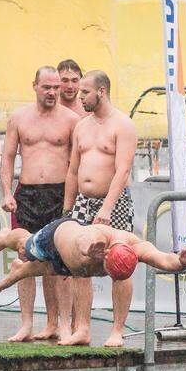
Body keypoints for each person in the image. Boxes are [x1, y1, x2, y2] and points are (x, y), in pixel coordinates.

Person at [0, 66, 80, 343]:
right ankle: (26, 324)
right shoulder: (19, 118)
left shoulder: (71, 120)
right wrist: (7, 193)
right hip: (27, 194)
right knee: (25, 257)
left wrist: (70, 203)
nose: (53, 92)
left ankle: (61, 325)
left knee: (61, 262)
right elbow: (8, 157)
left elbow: (76, 163)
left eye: (57, 87)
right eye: (47, 87)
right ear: (34, 86)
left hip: (58, 195)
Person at [63, 70, 139, 347]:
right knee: (79, 264)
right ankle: (82, 328)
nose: (79, 97)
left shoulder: (123, 125)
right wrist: (67, 210)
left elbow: (123, 170)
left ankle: (117, 330)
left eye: (84, 92)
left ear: (101, 92)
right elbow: (72, 171)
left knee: (121, 263)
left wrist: (107, 208)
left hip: (114, 202)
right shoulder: (81, 126)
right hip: (84, 201)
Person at [0, 217, 186, 293]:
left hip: (67, 266)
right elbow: (81, 238)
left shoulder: (134, 247)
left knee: (44, 269)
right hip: (56, 239)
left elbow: (162, 258)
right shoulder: (98, 237)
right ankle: (3, 238)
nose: (106, 274)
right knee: (23, 246)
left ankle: (18, 271)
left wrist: (180, 262)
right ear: (106, 255)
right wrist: (88, 249)